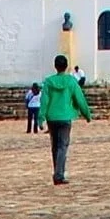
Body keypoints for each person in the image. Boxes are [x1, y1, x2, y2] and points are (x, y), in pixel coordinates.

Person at [39, 54, 91, 186]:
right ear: (66, 66)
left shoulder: (49, 82)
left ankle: (57, 171)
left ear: (55, 66)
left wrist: (41, 118)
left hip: (52, 117)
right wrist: (86, 114)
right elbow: (79, 98)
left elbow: (44, 100)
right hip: (66, 117)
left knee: (55, 146)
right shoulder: (71, 81)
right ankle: (59, 174)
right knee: (63, 146)